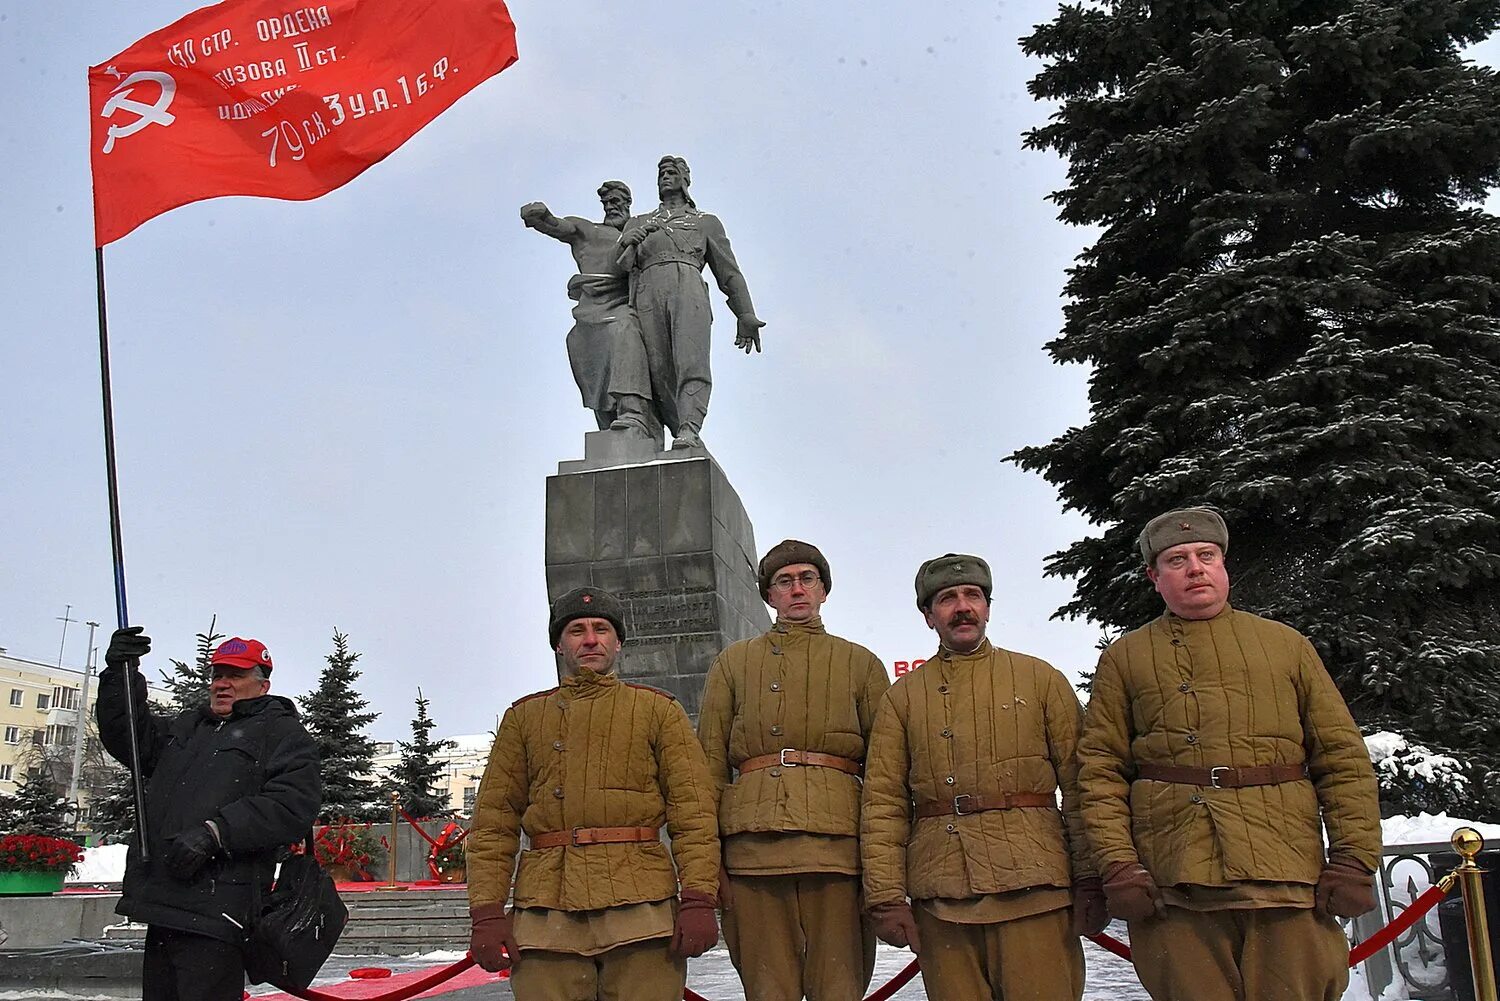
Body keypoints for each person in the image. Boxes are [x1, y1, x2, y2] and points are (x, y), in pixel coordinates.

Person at [1078, 507, 1382, 1001]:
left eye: (1207, 556)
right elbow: (1100, 773)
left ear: (1224, 567)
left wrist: (1352, 857)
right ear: (1155, 577)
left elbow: (1342, 760)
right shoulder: (1126, 658)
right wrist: (1118, 865)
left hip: (1286, 878)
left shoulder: (1286, 646)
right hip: (1174, 887)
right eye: (1176, 560)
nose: (1195, 568)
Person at [860, 555, 1102, 1001]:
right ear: (928, 616)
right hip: (943, 898)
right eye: (947, 599)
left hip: (1037, 892)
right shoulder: (902, 699)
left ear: (988, 608)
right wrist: (887, 896)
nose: (962, 606)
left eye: (973, 595)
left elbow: (1083, 784)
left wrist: (1091, 877)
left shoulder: (1041, 680)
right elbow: (883, 804)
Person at [466, 586, 721, 1001]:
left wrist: (697, 898)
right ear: (558, 644)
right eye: (576, 630)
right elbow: (494, 822)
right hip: (547, 916)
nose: (590, 639)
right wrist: (487, 912)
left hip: (643, 912)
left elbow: (693, 813)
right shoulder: (524, 718)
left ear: (617, 642)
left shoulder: (658, 710)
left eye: (601, 629)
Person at [697, 540, 889, 1001]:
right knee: (767, 990)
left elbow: (886, 774)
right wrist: (707, 866)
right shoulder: (733, 663)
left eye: (808, 579)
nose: (797, 589)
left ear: (824, 590)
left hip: (839, 852)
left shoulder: (860, 663)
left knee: (840, 988)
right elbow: (706, 769)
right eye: (784, 581)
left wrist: (884, 868)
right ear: (769, 595)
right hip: (752, 855)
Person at [96, 627, 320, 1001]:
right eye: (217, 674)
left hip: (219, 911)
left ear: (262, 685)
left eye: (236, 675)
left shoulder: (282, 733)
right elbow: (128, 738)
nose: (222, 683)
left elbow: (292, 804)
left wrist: (215, 833)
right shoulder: (188, 727)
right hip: (163, 903)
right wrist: (120, 674)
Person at [610, 155, 764, 450]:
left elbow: (729, 273)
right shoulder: (639, 221)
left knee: (690, 360)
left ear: (685, 178)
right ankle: (649, 422)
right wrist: (629, 240)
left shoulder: (705, 222)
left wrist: (745, 313)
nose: (665, 177)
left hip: (688, 287)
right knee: (657, 368)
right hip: (646, 293)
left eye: (671, 172)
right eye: (661, 174)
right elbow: (619, 269)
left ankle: (689, 427)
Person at [520, 181, 655, 435]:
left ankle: (632, 411)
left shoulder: (641, 233)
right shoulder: (587, 230)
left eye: (617, 201)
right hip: (590, 311)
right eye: (607, 202)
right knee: (593, 365)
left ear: (628, 203)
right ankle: (609, 427)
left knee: (624, 332)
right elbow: (557, 225)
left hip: (623, 308)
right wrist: (540, 216)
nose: (612, 206)